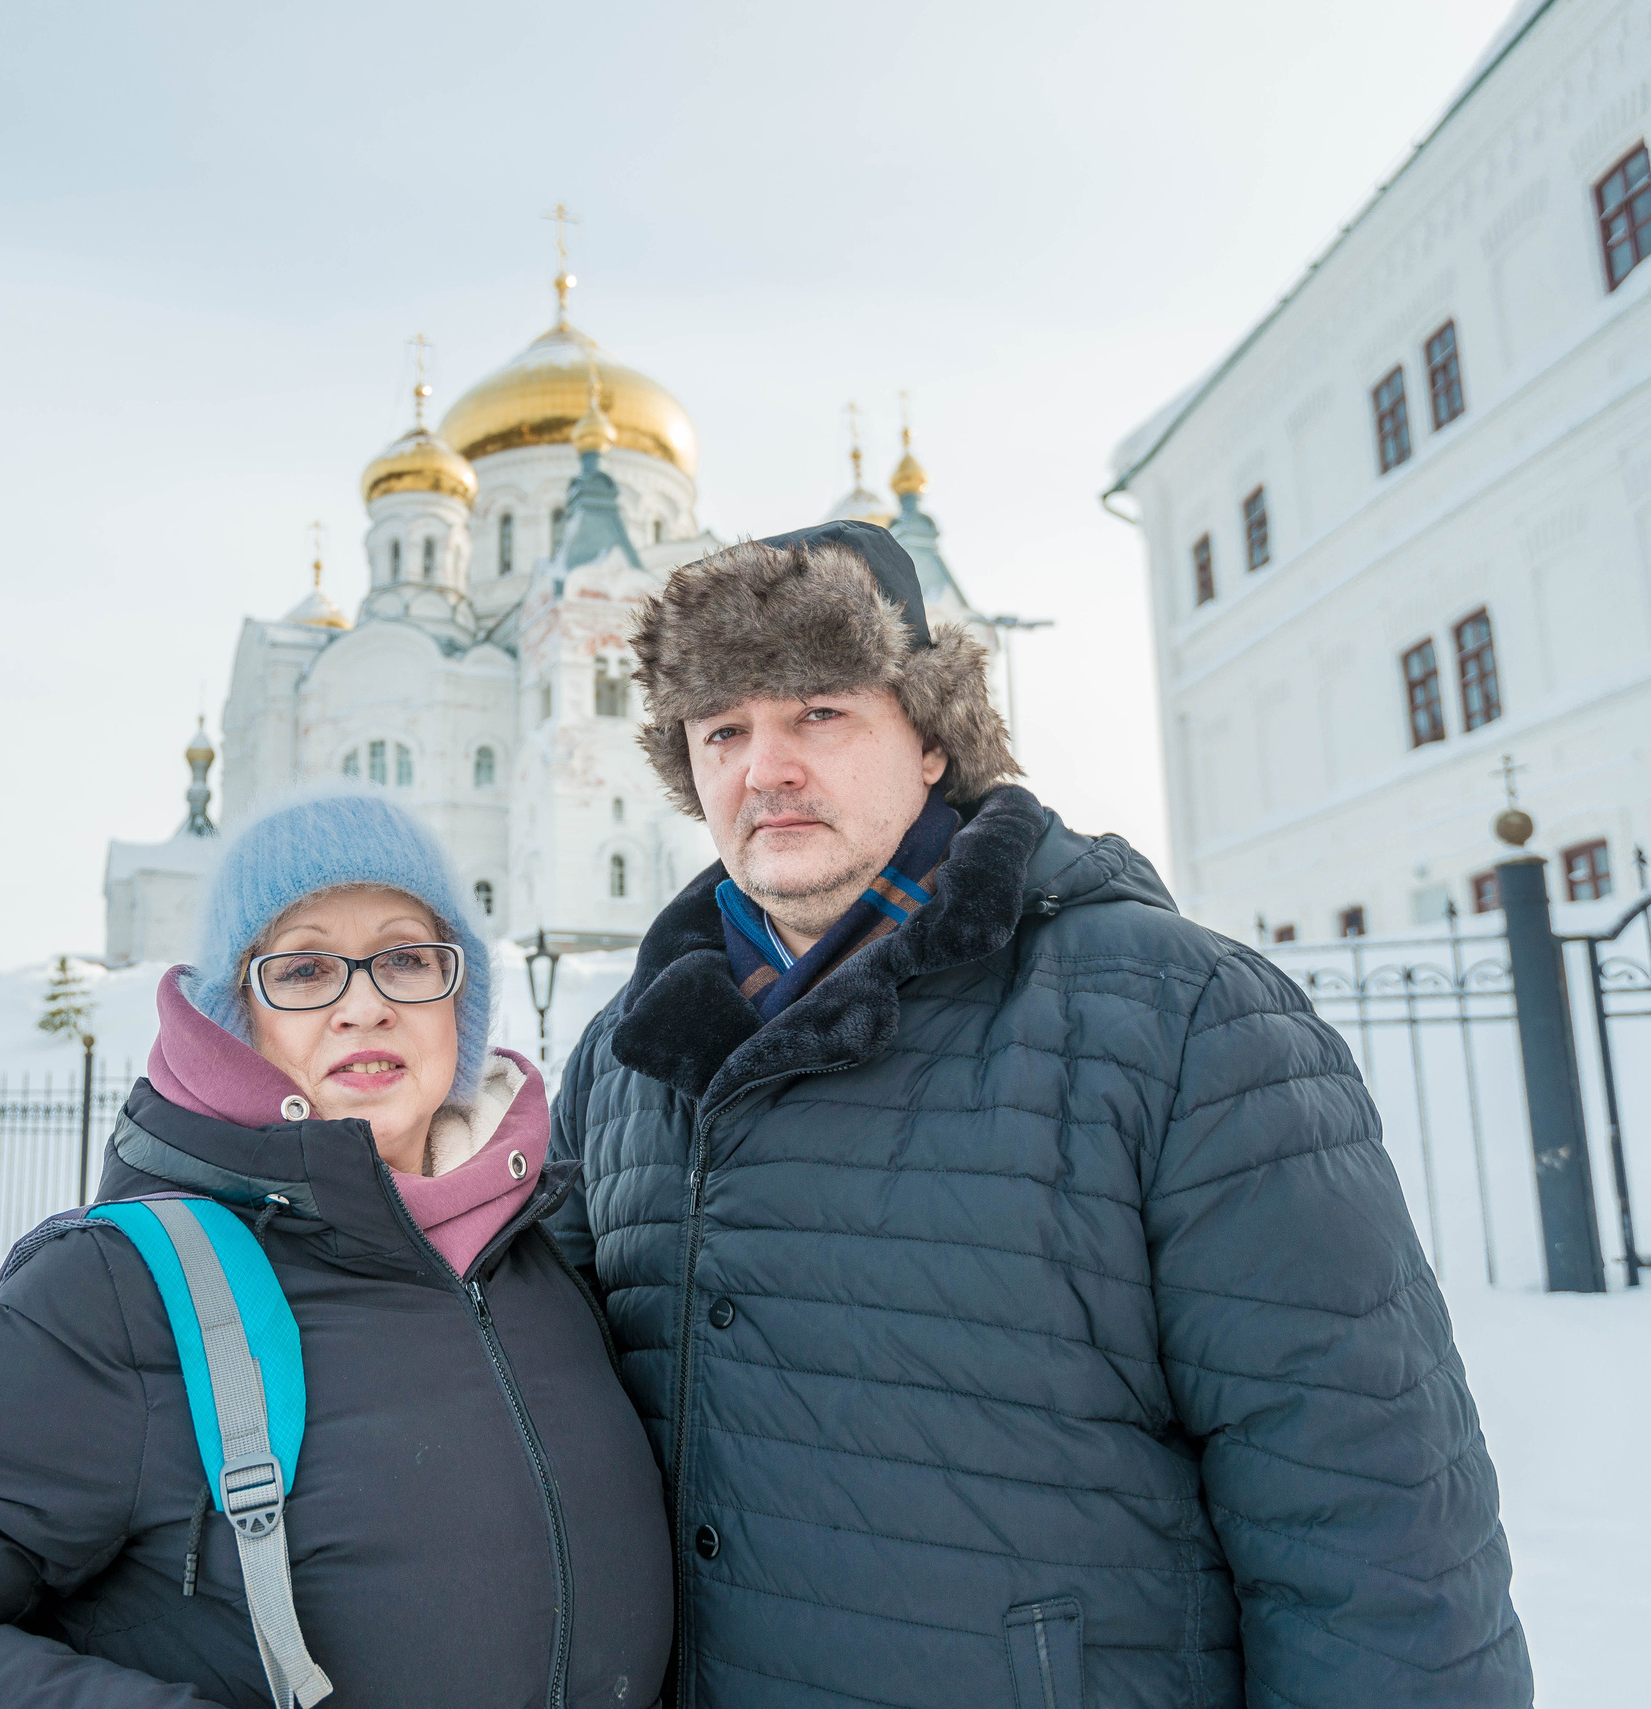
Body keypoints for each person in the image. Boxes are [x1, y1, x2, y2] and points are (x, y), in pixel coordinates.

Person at [546, 522, 1533, 1708]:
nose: (765, 767)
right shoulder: (627, 1060)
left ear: (928, 740)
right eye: (722, 730)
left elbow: (1369, 1511)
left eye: (818, 712)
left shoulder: (1177, 1019)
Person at [0, 792, 673, 1707]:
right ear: (240, 1017)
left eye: (406, 957)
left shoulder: (536, 1242)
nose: (365, 1005)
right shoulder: (119, 1290)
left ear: (456, 1001)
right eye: (306, 970)